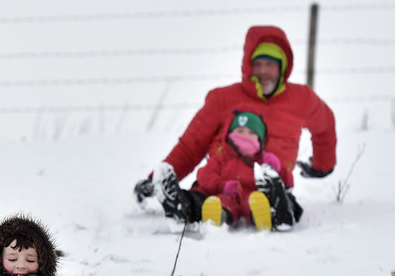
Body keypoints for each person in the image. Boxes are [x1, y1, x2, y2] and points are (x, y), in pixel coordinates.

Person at [134, 25, 337, 229]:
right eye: (257, 64)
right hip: (219, 187)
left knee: (281, 198)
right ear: (248, 65)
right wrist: (153, 181)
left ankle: (278, 213)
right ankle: (180, 206)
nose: (264, 71)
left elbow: (325, 126)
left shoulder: (302, 99)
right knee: (198, 199)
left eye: (270, 64)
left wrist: (322, 166)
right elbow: (190, 146)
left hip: (270, 188)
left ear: (283, 66)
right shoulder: (223, 99)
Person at [195, 109, 293, 230]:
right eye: (240, 131)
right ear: (230, 134)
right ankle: (220, 216)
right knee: (222, 201)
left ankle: (261, 218)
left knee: (255, 201)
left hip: (254, 195)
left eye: (251, 132)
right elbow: (204, 175)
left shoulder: (264, 159)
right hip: (229, 195)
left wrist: (277, 169)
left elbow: (286, 184)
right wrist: (222, 186)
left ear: (260, 138)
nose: (245, 136)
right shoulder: (221, 158)